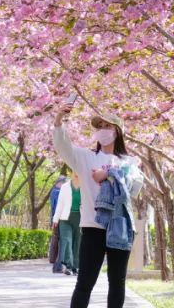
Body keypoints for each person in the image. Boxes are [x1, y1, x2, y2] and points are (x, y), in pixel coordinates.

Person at [54, 106, 144, 308]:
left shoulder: (129, 161)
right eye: (100, 126)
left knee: (117, 282)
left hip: (120, 228)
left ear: (117, 131)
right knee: (85, 282)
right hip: (93, 227)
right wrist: (59, 120)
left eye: (107, 126)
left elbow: (134, 187)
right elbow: (62, 147)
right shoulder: (85, 157)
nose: (103, 130)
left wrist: (108, 174)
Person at [54, 171, 82, 276]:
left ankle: (75, 267)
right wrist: (55, 219)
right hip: (65, 219)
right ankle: (68, 266)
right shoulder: (65, 186)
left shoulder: (85, 186)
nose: (77, 173)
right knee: (67, 241)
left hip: (80, 218)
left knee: (77, 243)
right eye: (75, 170)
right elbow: (60, 203)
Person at [50, 174, 68, 273]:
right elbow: (58, 208)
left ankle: (53, 259)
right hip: (59, 219)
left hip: (55, 219)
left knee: (56, 239)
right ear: (60, 183)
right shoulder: (58, 193)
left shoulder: (53, 192)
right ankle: (58, 264)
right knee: (61, 240)